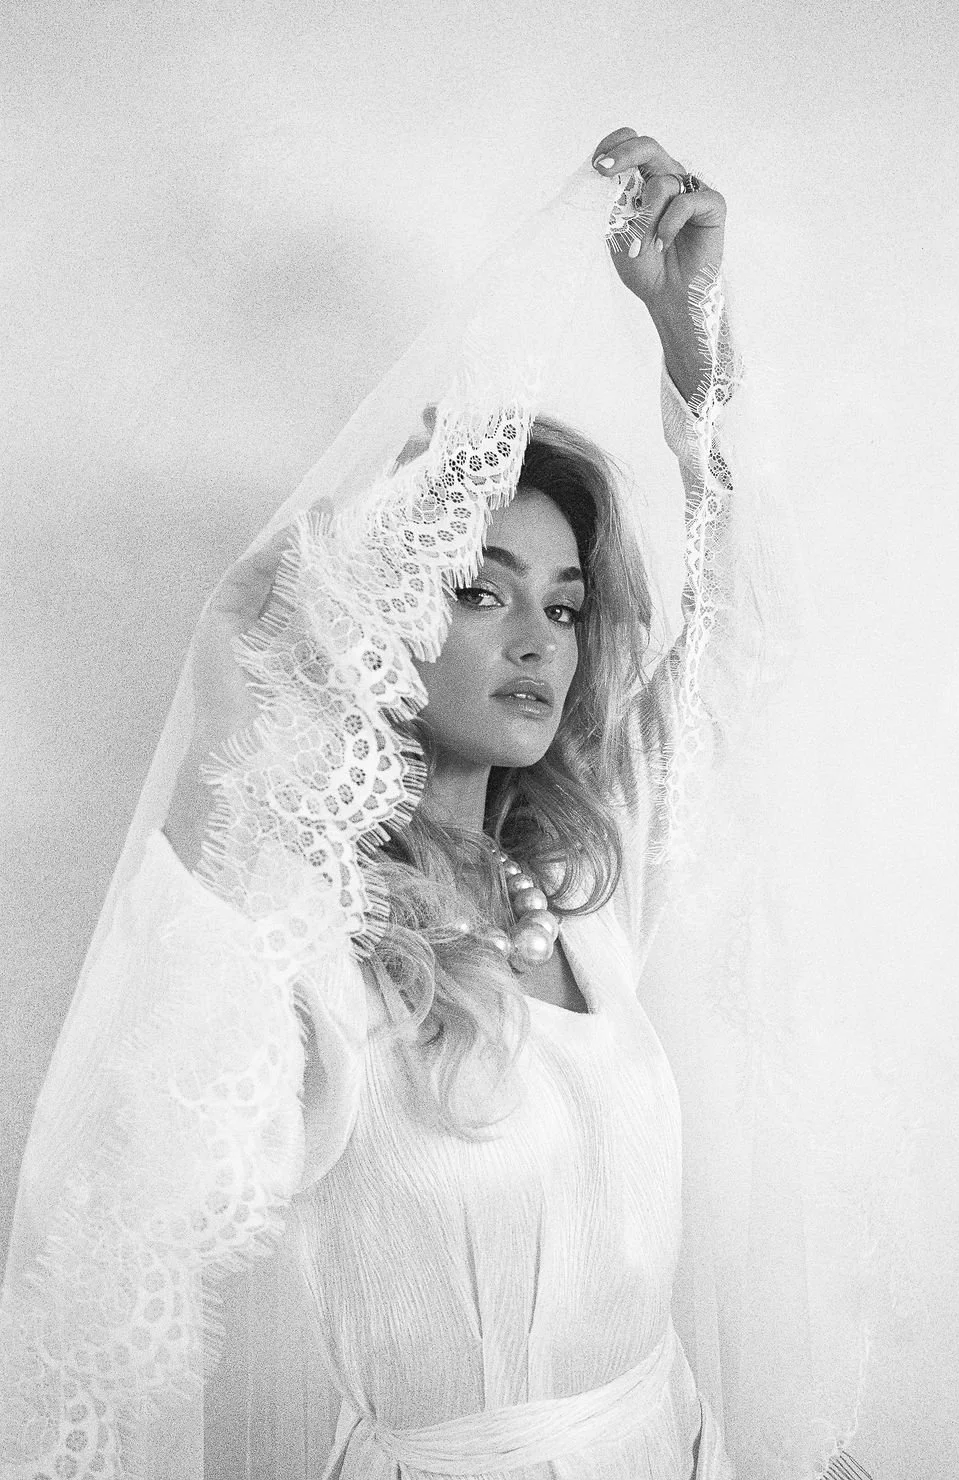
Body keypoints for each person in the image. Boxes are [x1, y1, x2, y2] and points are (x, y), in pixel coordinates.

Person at [0, 129, 872, 1480]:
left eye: (566, 605)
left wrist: (698, 357)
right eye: (481, 589)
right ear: (387, 615)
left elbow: (737, 642)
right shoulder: (305, 941)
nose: (537, 637)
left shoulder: (580, 884)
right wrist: (231, 726)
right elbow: (147, 1162)